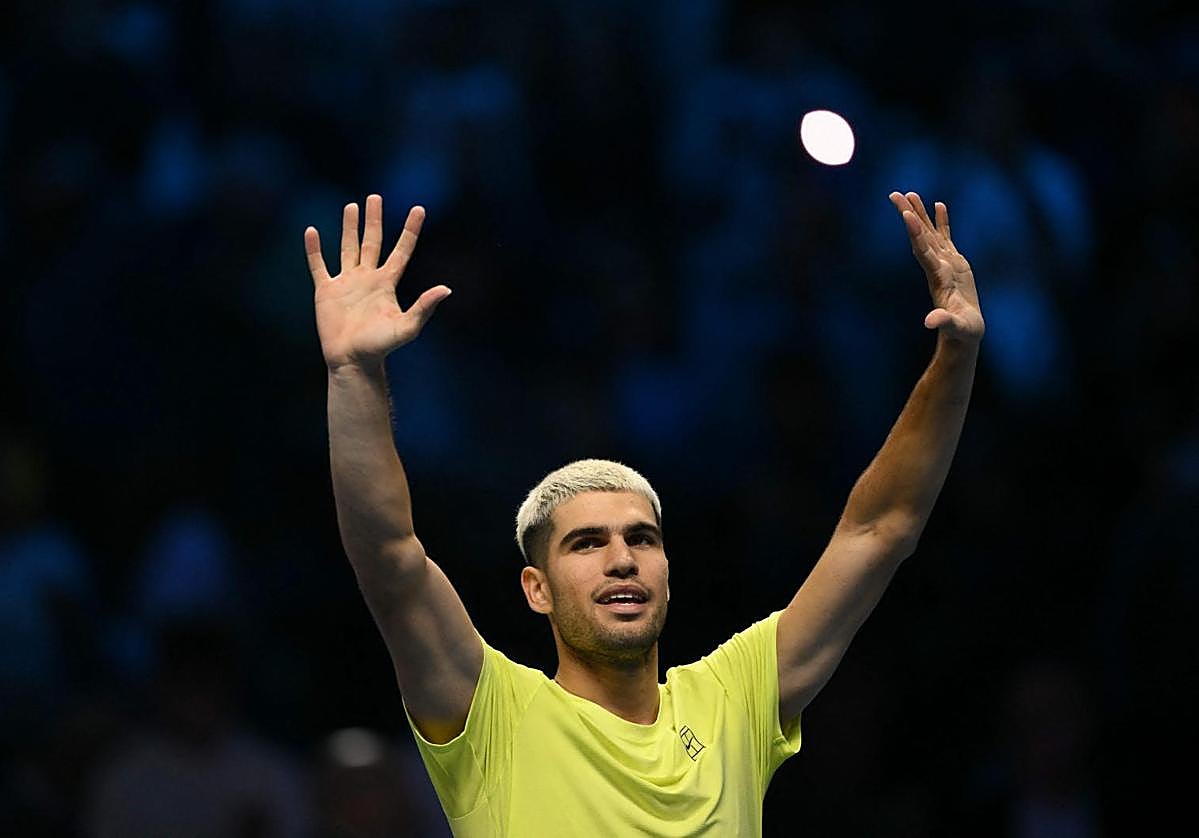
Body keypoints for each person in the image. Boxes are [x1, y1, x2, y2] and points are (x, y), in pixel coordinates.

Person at [303, 190, 984, 836]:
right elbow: (389, 556)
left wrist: (955, 355)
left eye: (641, 538)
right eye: (586, 543)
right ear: (534, 589)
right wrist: (353, 374)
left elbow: (878, 528)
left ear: (665, 569)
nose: (621, 557)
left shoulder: (732, 698)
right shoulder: (491, 716)